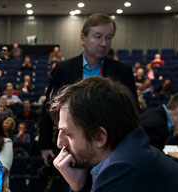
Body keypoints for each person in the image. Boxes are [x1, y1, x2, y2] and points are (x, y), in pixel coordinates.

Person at [39, 13, 136, 167]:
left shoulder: (122, 72)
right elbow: (48, 108)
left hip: (110, 153)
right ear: (83, 38)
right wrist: (44, 146)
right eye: (98, 37)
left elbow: (132, 114)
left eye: (109, 38)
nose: (104, 43)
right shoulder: (63, 69)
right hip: (71, 152)